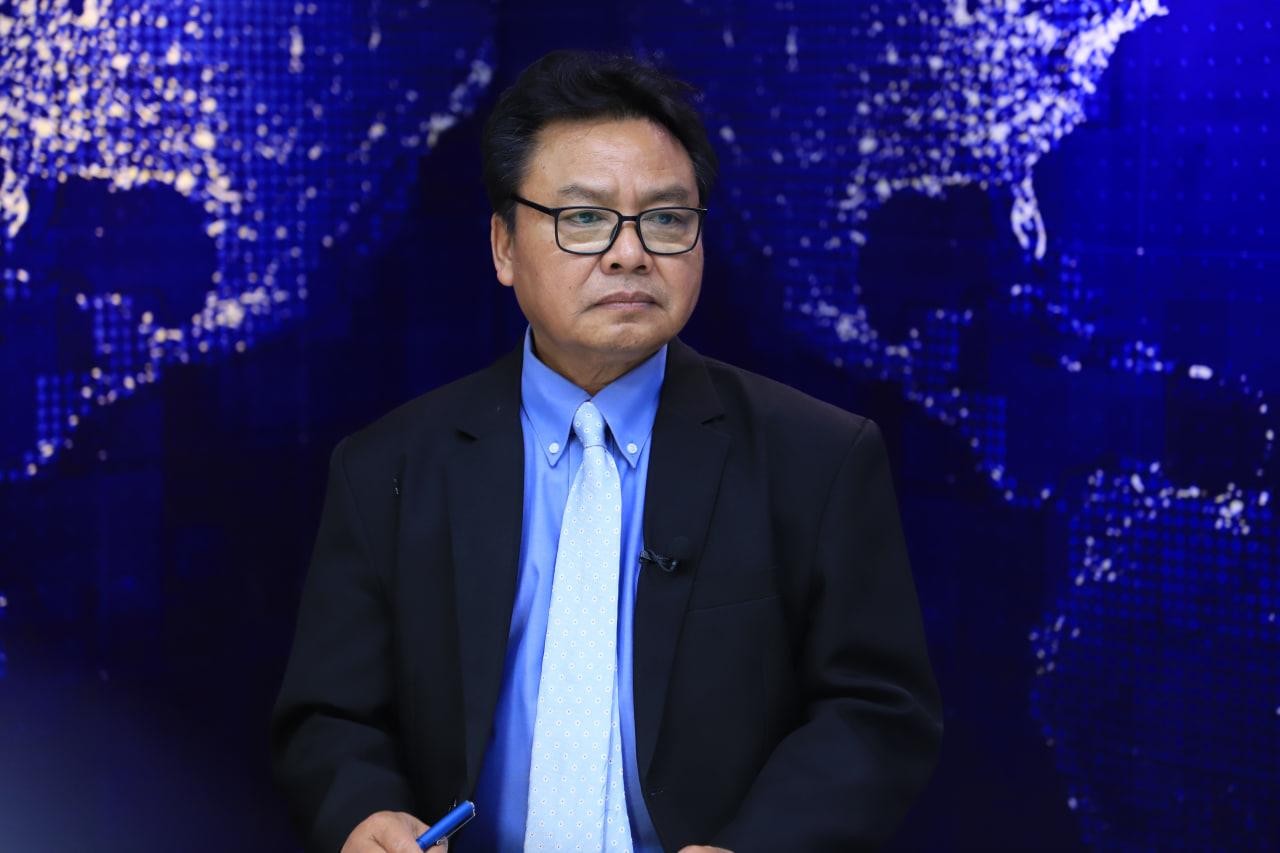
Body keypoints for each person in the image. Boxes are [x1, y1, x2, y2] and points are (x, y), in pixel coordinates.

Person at [270, 49, 942, 853]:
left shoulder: (818, 458)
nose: (630, 253)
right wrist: (364, 812)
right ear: (503, 246)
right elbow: (329, 716)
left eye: (666, 218)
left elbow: (877, 710)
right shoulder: (389, 467)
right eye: (584, 218)